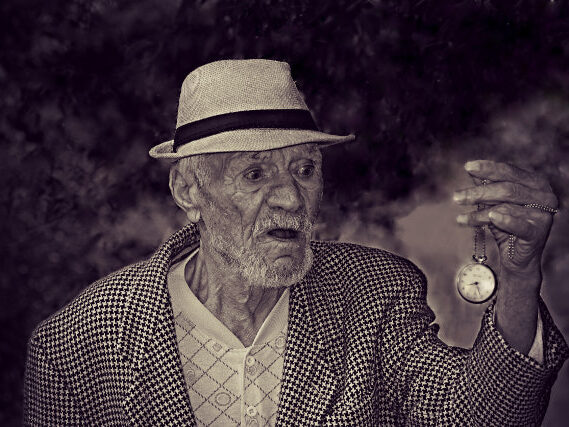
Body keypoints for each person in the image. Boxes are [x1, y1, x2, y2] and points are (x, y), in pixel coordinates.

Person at [24, 59, 568, 426]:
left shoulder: (372, 293)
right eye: (255, 174)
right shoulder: (74, 346)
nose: (291, 197)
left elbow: (474, 414)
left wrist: (519, 280)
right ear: (188, 188)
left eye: (304, 169)